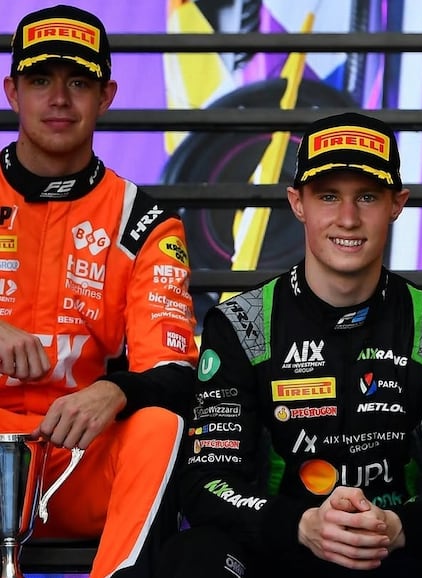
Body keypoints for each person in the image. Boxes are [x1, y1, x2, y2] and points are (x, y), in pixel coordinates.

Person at [156, 111, 422, 578]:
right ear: (297, 203)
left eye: (367, 196)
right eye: (327, 196)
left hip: (398, 552)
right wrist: (302, 525)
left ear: (397, 203)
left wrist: (398, 526)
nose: (348, 218)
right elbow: (206, 483)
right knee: (193, 556)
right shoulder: (242, 324)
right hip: (282, 553)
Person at [0, 5, 198, 578]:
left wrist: (115, 390)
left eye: (78, 82)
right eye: (41, 80)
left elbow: (178, 371)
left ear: (106, 95)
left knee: (162, 425)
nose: (59, 99)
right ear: (13, 91)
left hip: (75, 460)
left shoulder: (144, 223)